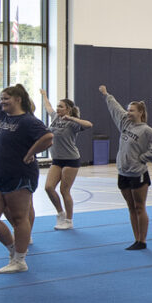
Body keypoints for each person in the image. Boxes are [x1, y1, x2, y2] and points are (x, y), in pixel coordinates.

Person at [0, 67, 54, 274]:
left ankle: (19, 260)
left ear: (18, 100)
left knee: (18, 218)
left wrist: (30, 153)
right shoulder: (3, 116)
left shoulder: (28, 121)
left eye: (6, 99)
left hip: (19, 175)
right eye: (3, 99)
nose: (2, 102)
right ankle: (14, 248)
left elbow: (48, 137)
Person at [99, 85, 152, 250]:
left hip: (138, 174)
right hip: (123, 172)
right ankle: (136, 238)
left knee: (139, 206)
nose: (128, 113)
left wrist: (145, 158)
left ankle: (142, 240)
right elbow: (116, 109)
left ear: (140, 113)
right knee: (130, 207)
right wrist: (107, 94)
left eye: (132, 110)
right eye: (128, 110)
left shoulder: (146, 130)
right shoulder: (124, 124)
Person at [38, 90, 91, 230]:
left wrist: (72, 118)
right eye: (58, 106)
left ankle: (69, 220)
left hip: (71, 159)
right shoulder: (55, 117)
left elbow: (88, 125)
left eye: (61, 106)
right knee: (49, 187)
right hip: (56, 159)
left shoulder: (72, 123)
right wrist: (44, 95)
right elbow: (48, 107)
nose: (57, 108)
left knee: (64, 190)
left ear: (68, 109)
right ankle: (60, 213)